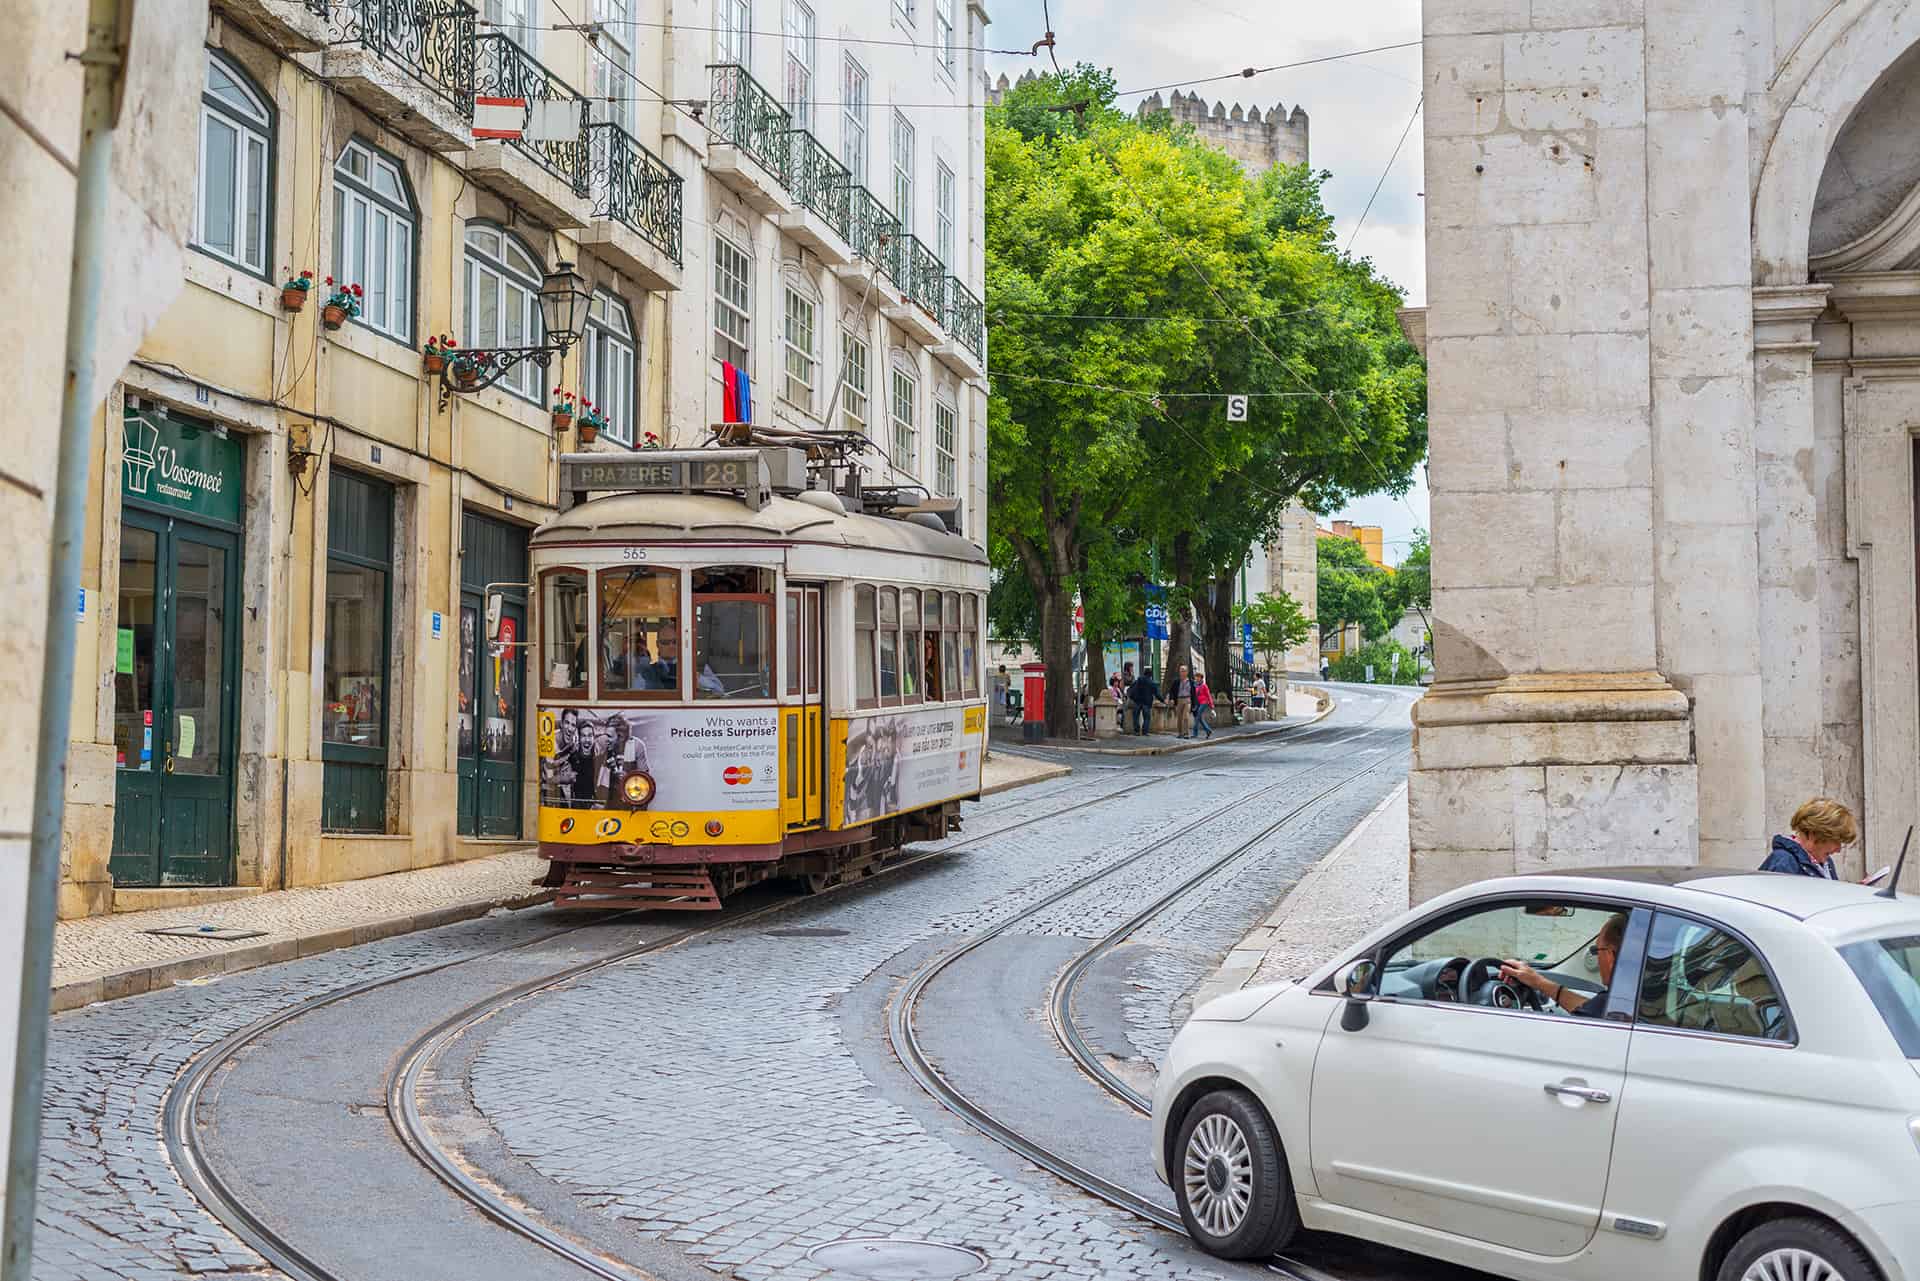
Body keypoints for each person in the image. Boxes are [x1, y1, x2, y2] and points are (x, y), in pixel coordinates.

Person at [1500, 912, 1628, 1017]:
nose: (1596, 957)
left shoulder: (1620, 1001)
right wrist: (1537, 981)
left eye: (1596, 950)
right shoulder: (1627, 999)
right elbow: (1590, 1009)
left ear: (1610, 956)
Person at [1761, 798, 1860, 880]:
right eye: (1836, 841)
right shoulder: (1784, 862)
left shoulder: (1825, 861)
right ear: (1814, 834)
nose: (1838, 849)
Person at [1128, 666, 1159, 735]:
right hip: (1146, 703)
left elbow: (1131, 688)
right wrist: (1163, 701)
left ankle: (1136, 731)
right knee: (1147, 717)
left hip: (1137, 701)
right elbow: (1157, 694)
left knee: (1136, 716)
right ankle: (1145, 731)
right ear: (1150, 675)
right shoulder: (1151, 683)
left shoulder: (1138, 680)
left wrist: (1132, 697)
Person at [1167, 664, 1195, 738]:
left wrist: (1194, 704)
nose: (1182, 672)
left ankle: (1186, 733)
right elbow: (1171, 691)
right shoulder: (1176, 681)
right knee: (1179, 717)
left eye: (1184, 671)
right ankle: (1180, 733)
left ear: (1187, 672)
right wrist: (1172, 699)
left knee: (1186, 716)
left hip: (1187, 699)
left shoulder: (1191, 682)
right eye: (1181, 671)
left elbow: (1194, 693)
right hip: (1179, 699)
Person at [1193, 674, 1215, 739]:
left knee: (1197, 717)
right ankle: (1208, 731)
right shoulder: (1196, 686)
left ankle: (1195, 733)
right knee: (1200, 719)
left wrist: (1212, 706)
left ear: (1201, 678)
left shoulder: (1204, 686)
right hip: (1198, 703)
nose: (1197, 679)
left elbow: (1208, 695)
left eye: (1198, 677)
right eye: (1196, 677)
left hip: (1204, 702)